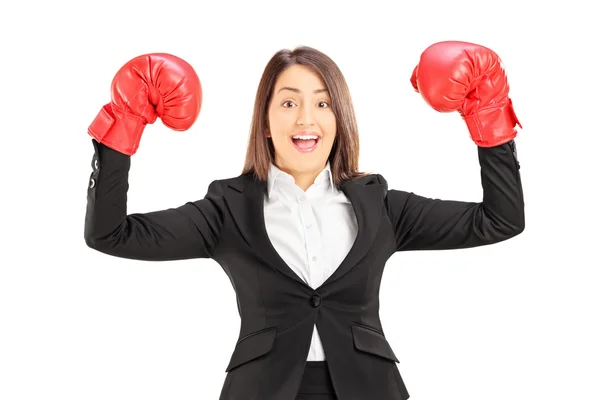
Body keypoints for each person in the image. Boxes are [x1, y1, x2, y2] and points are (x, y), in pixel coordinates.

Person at [84, 42, 525, 400]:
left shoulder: (382, 205)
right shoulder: (227, 208)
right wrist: (122, 125)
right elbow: (111, 234)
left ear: (339, 119)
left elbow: (499, 220)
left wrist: (489, 117)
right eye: (289, 103)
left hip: (370, 390)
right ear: (267, 121)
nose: (306, 119)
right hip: (261, 390)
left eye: (323, 103)